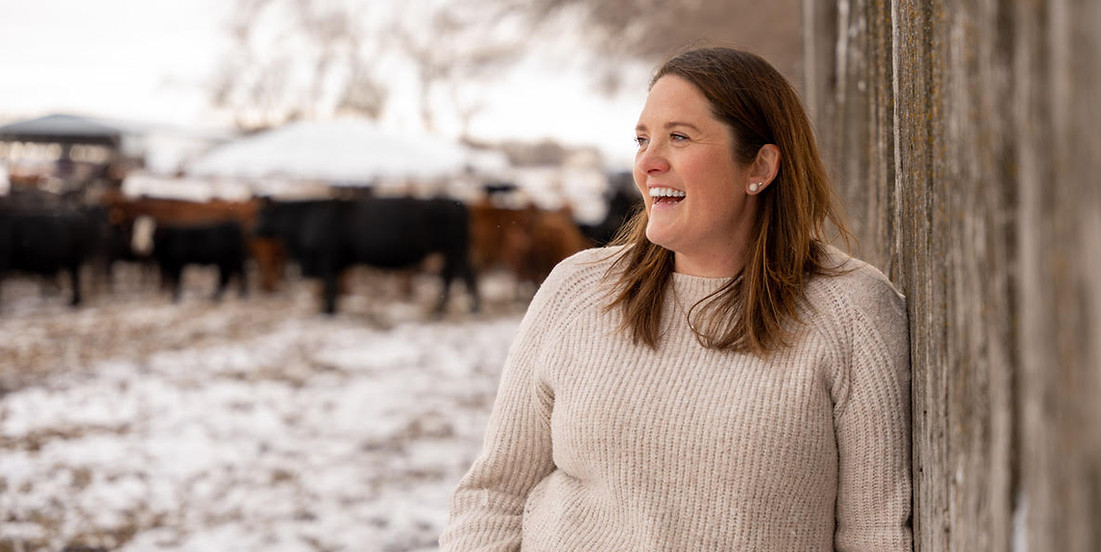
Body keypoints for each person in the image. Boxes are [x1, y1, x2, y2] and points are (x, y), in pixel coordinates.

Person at [440, 46, 911, 551]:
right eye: (643, 139)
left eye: (679, 138)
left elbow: (876, 534)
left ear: (761, 165)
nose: (649, 163)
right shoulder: (577, 290)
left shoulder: (853, 312)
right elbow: (493, 498)